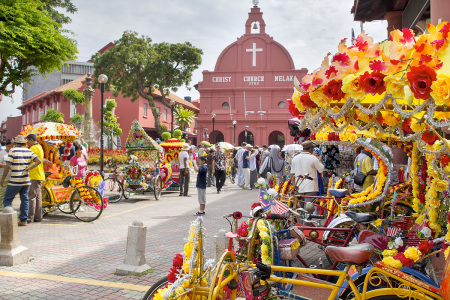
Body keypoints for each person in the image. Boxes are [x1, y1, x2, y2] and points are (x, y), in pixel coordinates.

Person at [1, 135, 42, 226]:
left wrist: (3, 178)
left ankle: (8, 220)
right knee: (25, 200)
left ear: (15, 143)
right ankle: (23, 220)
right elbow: (38, 161)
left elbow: (8, 165)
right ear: (24, 143)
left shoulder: (13, 151)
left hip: (14, 180)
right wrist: (30, 168)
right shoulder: (29, 151)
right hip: (25, 180)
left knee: (7, 200)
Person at [290, 141, 324, 210]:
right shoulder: (313, 158)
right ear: (310, 148)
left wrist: (294, 186)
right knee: (308, 210)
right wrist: (320, 161)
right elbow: (321, 169)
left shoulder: (295, 158)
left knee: (300, 210)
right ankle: (306, 221)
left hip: (299, 187)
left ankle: (301, 221)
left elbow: (292, 175)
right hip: (310, 188)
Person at [26, 134, 45, 223]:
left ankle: (30, 217)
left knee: (31, 197)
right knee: (38, 197)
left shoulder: (33, 148)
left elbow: (28, 160)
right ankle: (38, 217)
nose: (27, 143)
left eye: (27, 141)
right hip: (40, 175)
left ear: (31, 140)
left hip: (34, 175)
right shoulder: (40, 147)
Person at [0, 139, 13, 211]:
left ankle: (8, 208)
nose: (10, 148)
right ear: (6, 146)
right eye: (9, 147)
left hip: (12, 177)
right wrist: (6, 165)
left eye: (12, 146)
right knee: (2, 193)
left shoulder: (13, 153)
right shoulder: (2, 153)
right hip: (2, 176)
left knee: (10, 194)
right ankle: (1, 209)